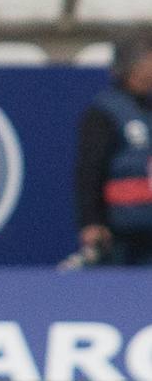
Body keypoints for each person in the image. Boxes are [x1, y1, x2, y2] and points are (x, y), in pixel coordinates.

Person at [73, 31, 152, 265]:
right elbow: (90, 170)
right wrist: (91, 221)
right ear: (134, 66)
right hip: (121, 231)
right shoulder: (105, 112)